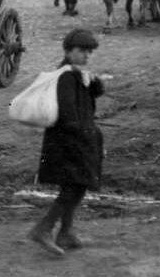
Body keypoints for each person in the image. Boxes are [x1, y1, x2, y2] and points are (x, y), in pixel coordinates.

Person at [28, 28, 105, 256]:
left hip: (74, 140)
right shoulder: (65, 77)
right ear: (68, 51)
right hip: (69, 142)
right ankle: (43, 228)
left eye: (89, 52)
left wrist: (93, 81)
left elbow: (95, 96)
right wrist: (89, 136)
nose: (86, 56)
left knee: (76, 186)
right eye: (82, 51)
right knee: (74, 186)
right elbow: (70, 116)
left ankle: (66, 232)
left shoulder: (75, 75)